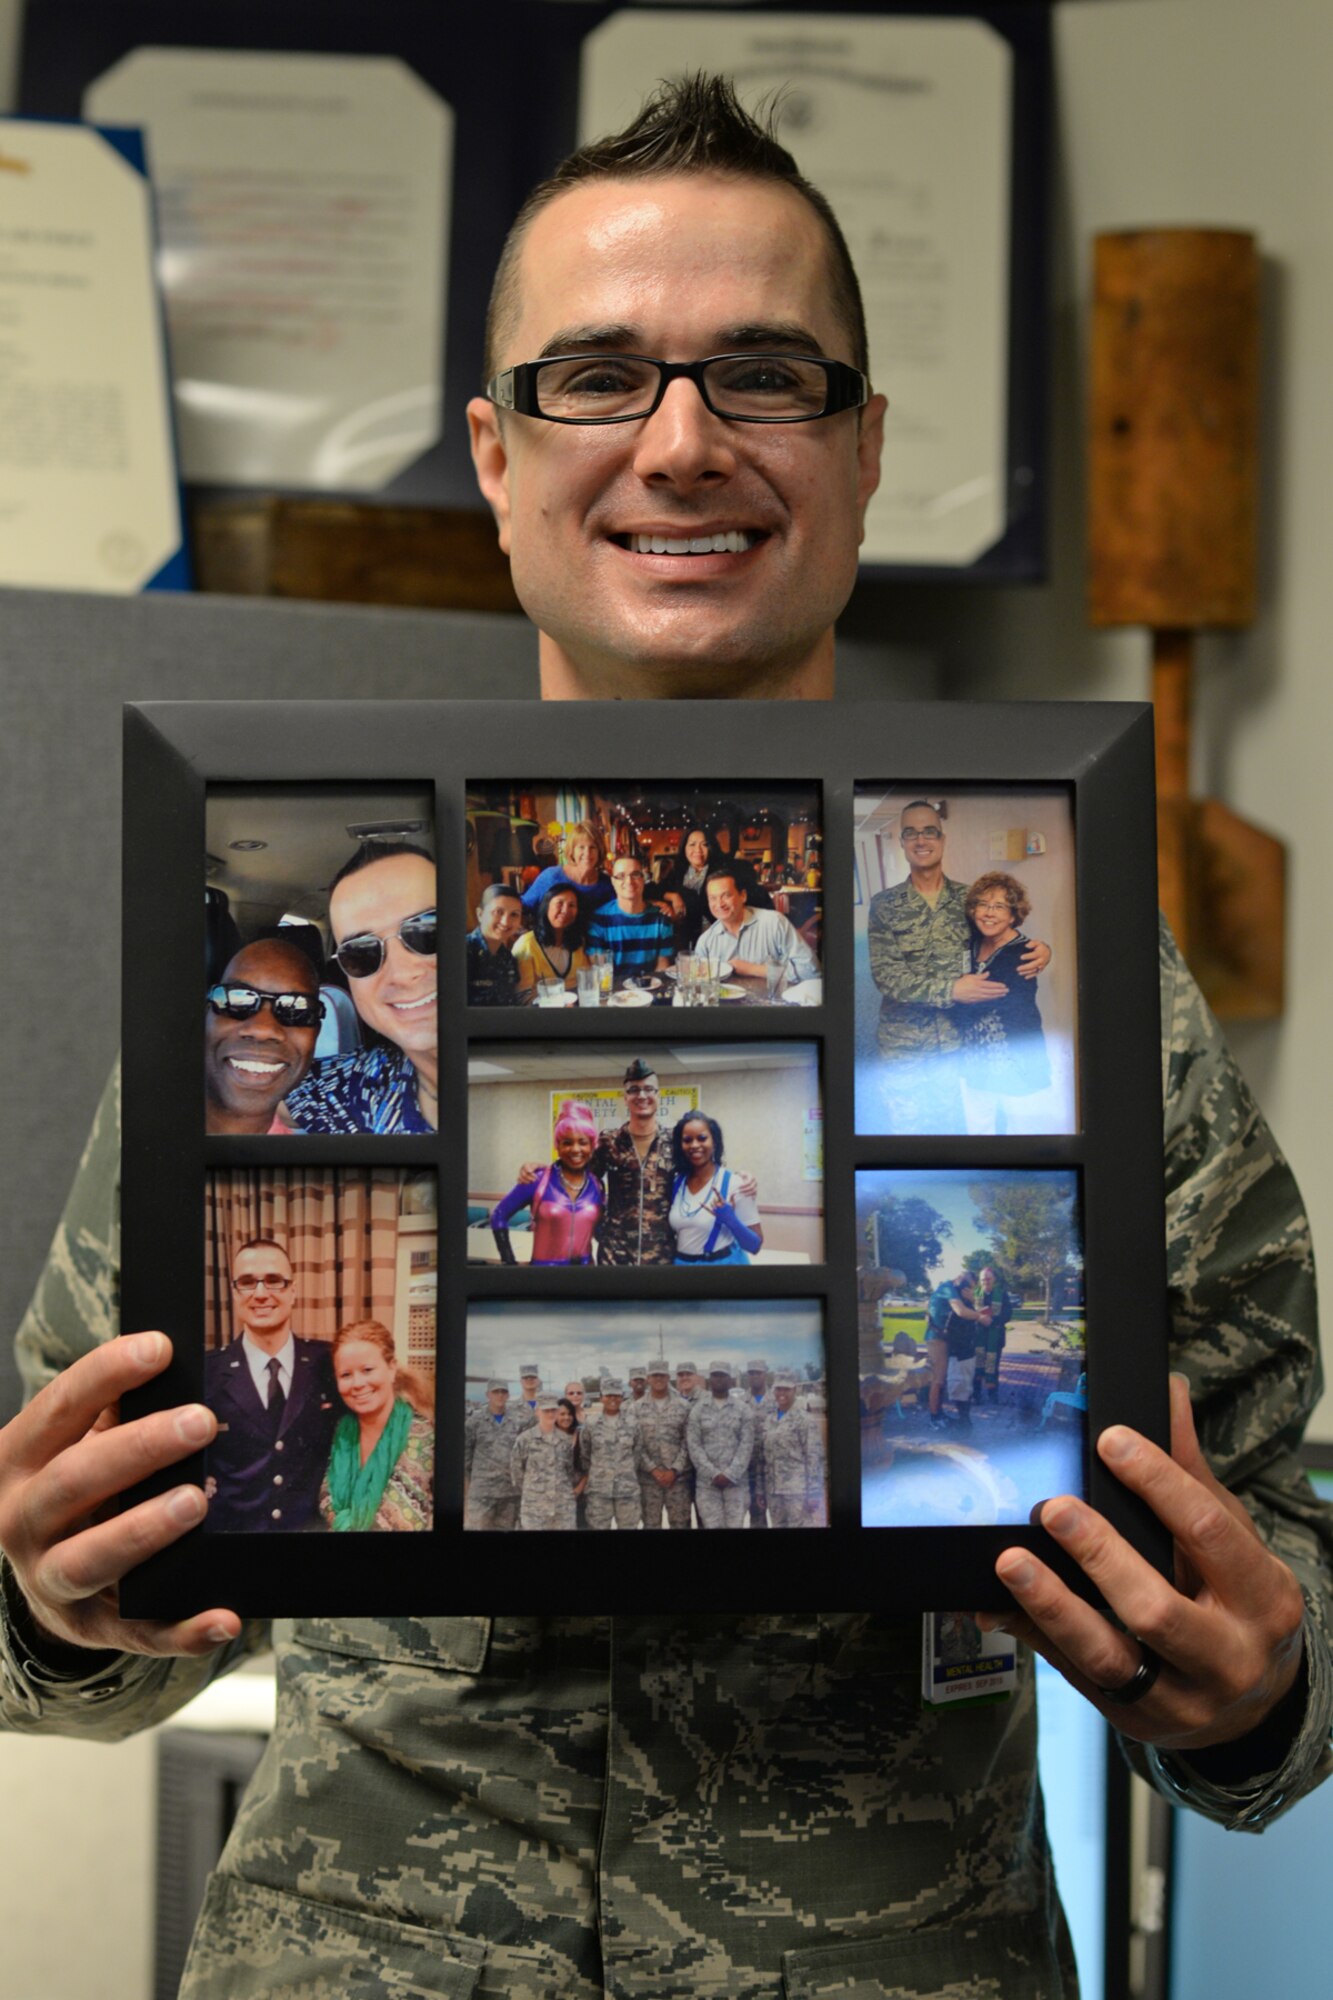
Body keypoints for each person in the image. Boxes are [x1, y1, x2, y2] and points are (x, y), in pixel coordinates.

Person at [2, 75, 1327, 2000]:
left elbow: (1286, 1525)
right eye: (597, 375)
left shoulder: (1057, 988)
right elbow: (55, 1599)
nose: (681, 444)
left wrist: (1257, 1685)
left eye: (764, 375)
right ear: (493, 452)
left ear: (864, 449)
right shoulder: (305, 989)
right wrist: (49, 1599)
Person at [865, 805, 1049, 1135]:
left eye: (929, 831)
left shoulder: (970, 899)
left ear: (942, 838)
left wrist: (1042, 949)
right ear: (902, 841)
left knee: (955, 1129)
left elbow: (1002, 936)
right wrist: (952, 990)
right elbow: (887, 976)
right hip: (903, 1043)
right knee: (906, 1132)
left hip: (959, 1042)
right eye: (911, 832)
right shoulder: (884, 905)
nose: (921, 840)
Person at [285, 841, 439, 1132]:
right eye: (360, 953)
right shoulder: (360, 1083)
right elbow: (255, 1091)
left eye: (428, 931)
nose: (403, 973)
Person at [201, 1239, 338, 1534]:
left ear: (293, 1291)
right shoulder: (207, 1371)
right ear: (235, 1293)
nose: (261, 1294)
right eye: (248, 1283)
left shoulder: (331, 1361)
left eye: (274, 1281)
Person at [958, 871, 1053, 1134]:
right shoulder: (972, 943)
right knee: (978, 1123)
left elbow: (992, 999)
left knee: (1021, 1126)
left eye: (999, 906)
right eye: (983, 905)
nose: (989, 913)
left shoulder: (1025, 953)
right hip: (974, 1052)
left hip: (1014, 1052)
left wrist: (956, 992)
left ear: (1013, 915)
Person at [319, 1320, 433, 1533]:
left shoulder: (424, 1435)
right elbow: (328, 1502)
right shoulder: (341, 1433)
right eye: (346, 1375)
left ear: (391, 1369)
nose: (358, 1383)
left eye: (367, 1370)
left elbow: (395, 1522)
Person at [204, 938, 322, 1134]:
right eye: (237, 999)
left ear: (315, 1035)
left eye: (295, 1008)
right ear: (206, 1015)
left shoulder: (300, 1161)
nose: (263, 1029)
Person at [488, 1100, 604, 1265]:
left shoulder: (597, 1185)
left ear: (592, 1146)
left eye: (583, 1142)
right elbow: (498, 1216)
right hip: (544, 1277)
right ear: (558, 1146)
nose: (576, 1149)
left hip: (585, 1277)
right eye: (567, 1142)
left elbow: (599, 1232)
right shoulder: (537, 1180)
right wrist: (509, 1263)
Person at [693, 868, 820, 984]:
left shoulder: (774, 923)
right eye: (713, 898)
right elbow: (698, 984)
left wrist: (753, 969)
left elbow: (812, 972)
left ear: (743, 896)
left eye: (726, 896)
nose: (719, 904)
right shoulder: (706, 942)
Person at [668, 1111, 763, 1266]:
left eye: (702, 1138)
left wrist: (730, 1219)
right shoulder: (677, 1182)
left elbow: (755, 1246)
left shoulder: (735, 1183)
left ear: (715, 1142)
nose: (694, 1145)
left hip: (721, 1270)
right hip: (682, 1268)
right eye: (687, 1140)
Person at [686, 1360, 756, 1529]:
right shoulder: (698, 1409)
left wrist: (730, 1474)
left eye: (723, 1376)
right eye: (715, 1375)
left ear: (730, 1380)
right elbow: (694, 1446)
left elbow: (746, 1446)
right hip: (708, 1485)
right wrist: (713, 1474)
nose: (719, 1379)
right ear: (710, 1379)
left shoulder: (743, 1409)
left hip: (736, 1485)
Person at [583, 853, 675, 976]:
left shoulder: (661, 920)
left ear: (643, 879)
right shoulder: (599, 920)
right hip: (612, 991)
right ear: (613, 882)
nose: (629, 881)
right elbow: (599, 972)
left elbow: (661, 968)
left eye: (635, 874)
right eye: (621, 876)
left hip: (649, 989)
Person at [925, 1270, 990, 1432]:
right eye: (968, 1284)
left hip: (946, 1338)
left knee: (944, 1379)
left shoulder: (952, 1289)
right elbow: (960, 1311)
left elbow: (965, 1310)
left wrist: (971, 1301)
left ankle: (939, 1414)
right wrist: (979, 1317)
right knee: (938, 1380)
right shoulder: (948, 1287)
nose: (967, 1287)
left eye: (971, 1287)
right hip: (937, 1338)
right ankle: (935, 1417)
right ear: (961, 1278)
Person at [632, 1359, 693, 1530]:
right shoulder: (635, 1408)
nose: (658, 1379)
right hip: (648, 1480)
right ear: (648, 1379)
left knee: (681, 1524)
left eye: (662, 1375)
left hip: (678, 1480)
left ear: (668, 1377)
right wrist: (653, 1469)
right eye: (654, 1375)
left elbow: (689, 1442)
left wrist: (674, 1470)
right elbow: (635, 1444)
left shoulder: (683, 1406)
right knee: (651, 1525)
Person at [763, 1369, 826, 1528]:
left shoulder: (804, 1420)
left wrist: (813, 1492)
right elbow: (763, 1457)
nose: (782, 1393)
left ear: (795, 1390)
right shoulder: (769, 1420)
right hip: (774, 1491)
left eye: (786, 1389)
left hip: (797, 1492)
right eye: (778, 1389)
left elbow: (814, 1457)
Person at [519, 819, 615, 923]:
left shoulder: (606, 884)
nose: (587, 853)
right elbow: (523, 906)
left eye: (592, 847)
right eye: (581, 847)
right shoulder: (552, 876)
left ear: (599, 851)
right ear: (572, 851)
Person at [581, 1379, 643, 1532]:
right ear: (601, 1397)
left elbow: (637, 1452)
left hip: (627, 1491)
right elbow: (585, 1454)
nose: (613, 1399)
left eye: (617, 1395)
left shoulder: (633, 1423)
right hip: (599, 1491)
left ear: (622, 1397)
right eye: (608, 1396)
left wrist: (626, 1471)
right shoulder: (591, 1423)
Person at [511, 1393, 579, 1530]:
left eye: (553, 1410)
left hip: (563, 1509)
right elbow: (517, 1475)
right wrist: (533, 1494)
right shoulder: (525, 1439)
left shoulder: (565, 1440)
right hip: (535, 1509)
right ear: (537, 1412)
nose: (550, 1414)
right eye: (545, 1410)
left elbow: (569, 1472)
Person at [462, 1379, 523, 1531]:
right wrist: (468, 1493)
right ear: (487, 1394)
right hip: (482, 1494)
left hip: (509, 1493)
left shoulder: (517, 1421)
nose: (500, 1395)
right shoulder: (474, 1422)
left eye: (503, 1392)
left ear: (508, 1395)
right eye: (496, 1392)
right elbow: (466, 1459)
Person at [511, 882, 589, 996]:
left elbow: (587, 979)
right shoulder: (526, 944)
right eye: (559, 903)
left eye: (571, 905)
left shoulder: (579, 941)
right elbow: (523, 994)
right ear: (546, 906)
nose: (565, 910)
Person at [464, 881, 523, 1006]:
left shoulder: (508, 958)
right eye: (498, 912)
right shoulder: (461, 952)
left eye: (514, 914)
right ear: (480, 914)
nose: (505, 922)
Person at [976, 1264, 1015, 1404]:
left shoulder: (1002, 1294)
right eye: (983, 1279)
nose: (985, 1281)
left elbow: (1008, 1313)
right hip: (977, 1337)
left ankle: (993, 1395)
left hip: (995, 1336)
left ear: (994, 1279)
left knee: (992, 1366)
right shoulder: (974, 1295)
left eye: (988, 1278)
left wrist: (993, 1321)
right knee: (977, 1366)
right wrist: (980, 1319)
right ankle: (977, 1395)